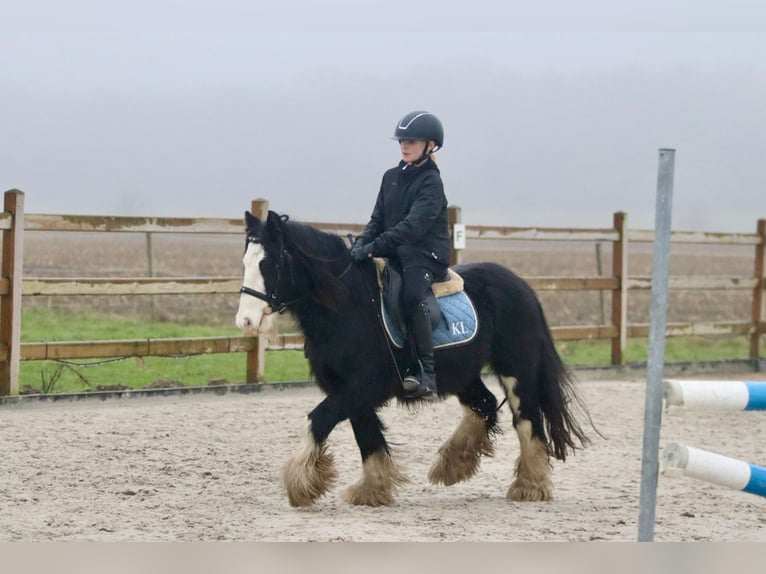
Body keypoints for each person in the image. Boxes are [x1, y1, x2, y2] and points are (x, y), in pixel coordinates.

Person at [350, 110, 451, 398]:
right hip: (395, 251)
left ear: (430, 145)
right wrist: (361, 244)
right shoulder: (390, 177)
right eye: (402, 141)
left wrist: (374, 247)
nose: (405, 146)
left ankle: (427, 375)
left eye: (412, 141)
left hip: (425, 255)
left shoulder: (432, 182)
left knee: (410, 295)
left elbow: (412, 227)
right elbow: (377, 219)